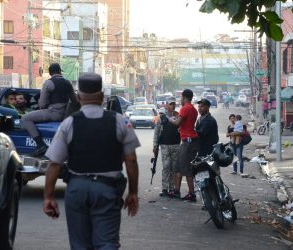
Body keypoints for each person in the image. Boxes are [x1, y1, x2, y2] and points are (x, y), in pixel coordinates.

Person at [43, 73, 140, 250]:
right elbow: (131, 160)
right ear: (102, 97)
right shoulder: (119, 121)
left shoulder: (69, 123)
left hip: (76, 189)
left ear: (79, 97)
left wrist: (49, 196)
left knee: (80, 245)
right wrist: (133, 192)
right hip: (107, 190)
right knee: (107, 243)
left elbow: (55, 163)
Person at [21, 63, 78, 156]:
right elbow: (75, 101)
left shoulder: (48, 83)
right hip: (65, 115)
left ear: (50, 73)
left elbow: (42, 104)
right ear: (60, 71)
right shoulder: (68, 83)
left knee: (25, 118)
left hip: (53, 113)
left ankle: (41, 145)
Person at [168, 89, 199, 202]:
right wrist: (178, 118)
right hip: (188, 141)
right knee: (178, 166)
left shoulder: (185, 108)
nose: (180, 100)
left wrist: (171, 119)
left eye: (181, 98)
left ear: (184, 97)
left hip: (188, 142)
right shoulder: (194, 110)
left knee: (186, 168)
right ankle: (177, 190)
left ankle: (191, 193)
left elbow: (177, 124)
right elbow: (185, 123)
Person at [153, 97, 180, 197]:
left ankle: (172, 188)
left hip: (176, 145)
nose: (172, 106)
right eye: (170, 104)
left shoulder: (178, 116)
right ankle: (165, 188)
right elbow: (156, 132)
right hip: (164, 145)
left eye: (174, 104)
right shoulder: (162, 117)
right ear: (167, 105)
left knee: (174, 167)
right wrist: (155, 145)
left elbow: (182, 128)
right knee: (166, 166)